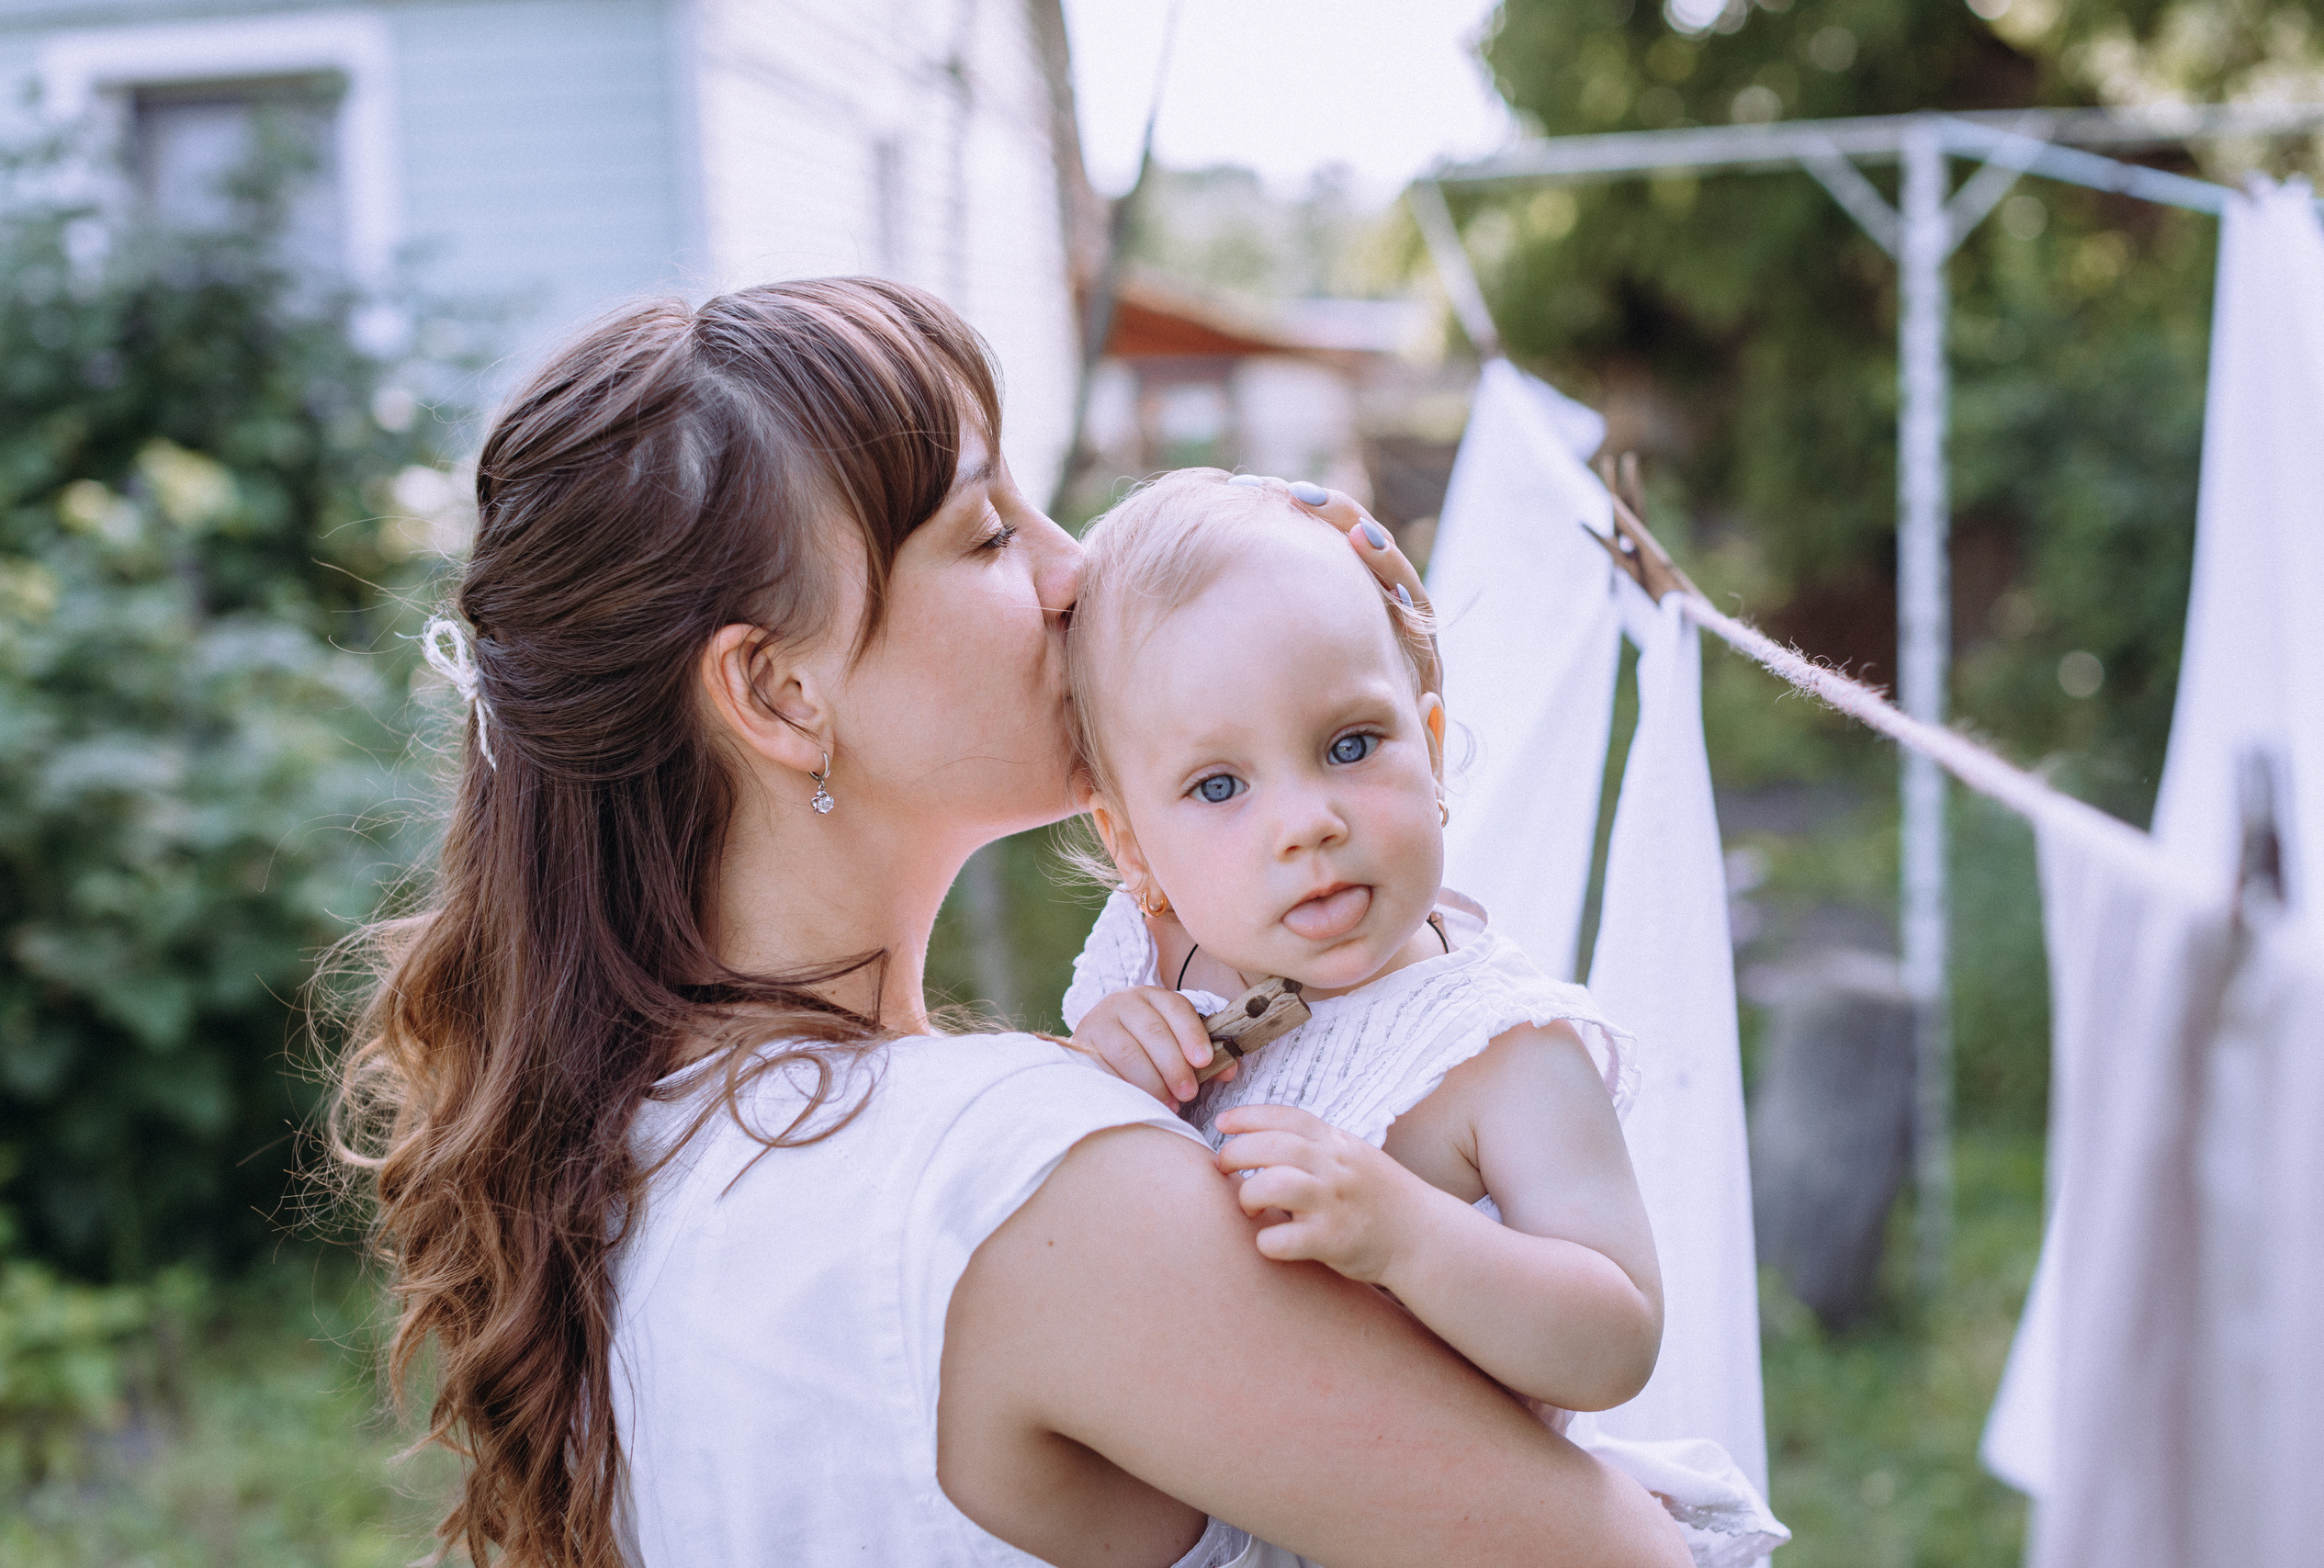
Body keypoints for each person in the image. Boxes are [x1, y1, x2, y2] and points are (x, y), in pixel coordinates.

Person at [328, 277, 1687, 1568]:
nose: (1070, 568)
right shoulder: (1018, 1177)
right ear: (783, 694)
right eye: (987, 535)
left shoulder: (631, 1149)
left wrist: (1274, 607)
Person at [1058, 470, 1787, 1567]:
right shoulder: (1145, 963)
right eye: (1218, 786)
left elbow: (1615, 1338)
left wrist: (1405, 1235)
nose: (1306, 823)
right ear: (1130, 845)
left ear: (1432, 745)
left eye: (1350, 745)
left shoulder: (1496, 1048)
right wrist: (1094, 1064)